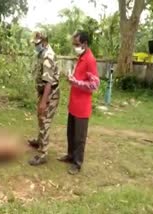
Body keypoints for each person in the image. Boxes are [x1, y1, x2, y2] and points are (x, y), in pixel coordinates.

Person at [57, 31, 100, 175]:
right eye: (74, 44)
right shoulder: (80, 57)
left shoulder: (90, 60)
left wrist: (75, 82)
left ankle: (77, 162)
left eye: (77, 44)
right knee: (71, 133)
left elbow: (94, 85)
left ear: (85, 44)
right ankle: (70, 156)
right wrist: (72, 78)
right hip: (74, 104)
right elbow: (80, 78)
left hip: (82, 107)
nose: (75, 46)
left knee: (79, 137)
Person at [28, 32, 61, 166]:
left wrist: (43, 101)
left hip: (50, 93)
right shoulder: (42, 53)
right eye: (35, 44)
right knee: (40, 117)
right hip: (44, 92)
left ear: (44, 42)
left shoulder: (48, 56)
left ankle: (43, 153)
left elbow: (48, 81)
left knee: (45, 120)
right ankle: (40, 141)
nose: (35, 46)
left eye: (37, 44)